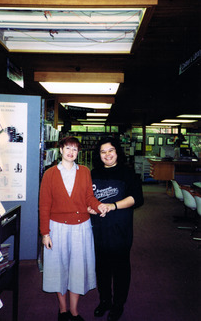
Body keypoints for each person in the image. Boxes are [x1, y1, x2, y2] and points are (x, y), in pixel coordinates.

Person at [39, 136, 110, 321]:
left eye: (75, 149)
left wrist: (98, 206)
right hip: (57, 228)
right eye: (68, 148)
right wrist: (45, 233)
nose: (71, 152)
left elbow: (89, 198)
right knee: (58, 268)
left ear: (78, 153)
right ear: (60, 150)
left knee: (78, 268)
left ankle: (74, 311)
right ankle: (63, 310)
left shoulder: (85, 172)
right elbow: (44, 205)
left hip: (81, 228)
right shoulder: (49, 174)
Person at [88, 136, 144, 321]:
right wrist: (92, 208)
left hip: (120, 229)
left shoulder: (128, 173)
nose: (107, 155)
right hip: (98, 229)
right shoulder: (92, 174)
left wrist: (113, 205)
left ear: (117, 152)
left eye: (110, 150)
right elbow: (86, 199)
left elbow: (137, 199)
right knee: (101, 268)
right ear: (99, 155)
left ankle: (118, 305)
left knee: (120, 268)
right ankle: (105, 301)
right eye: (103, 152)